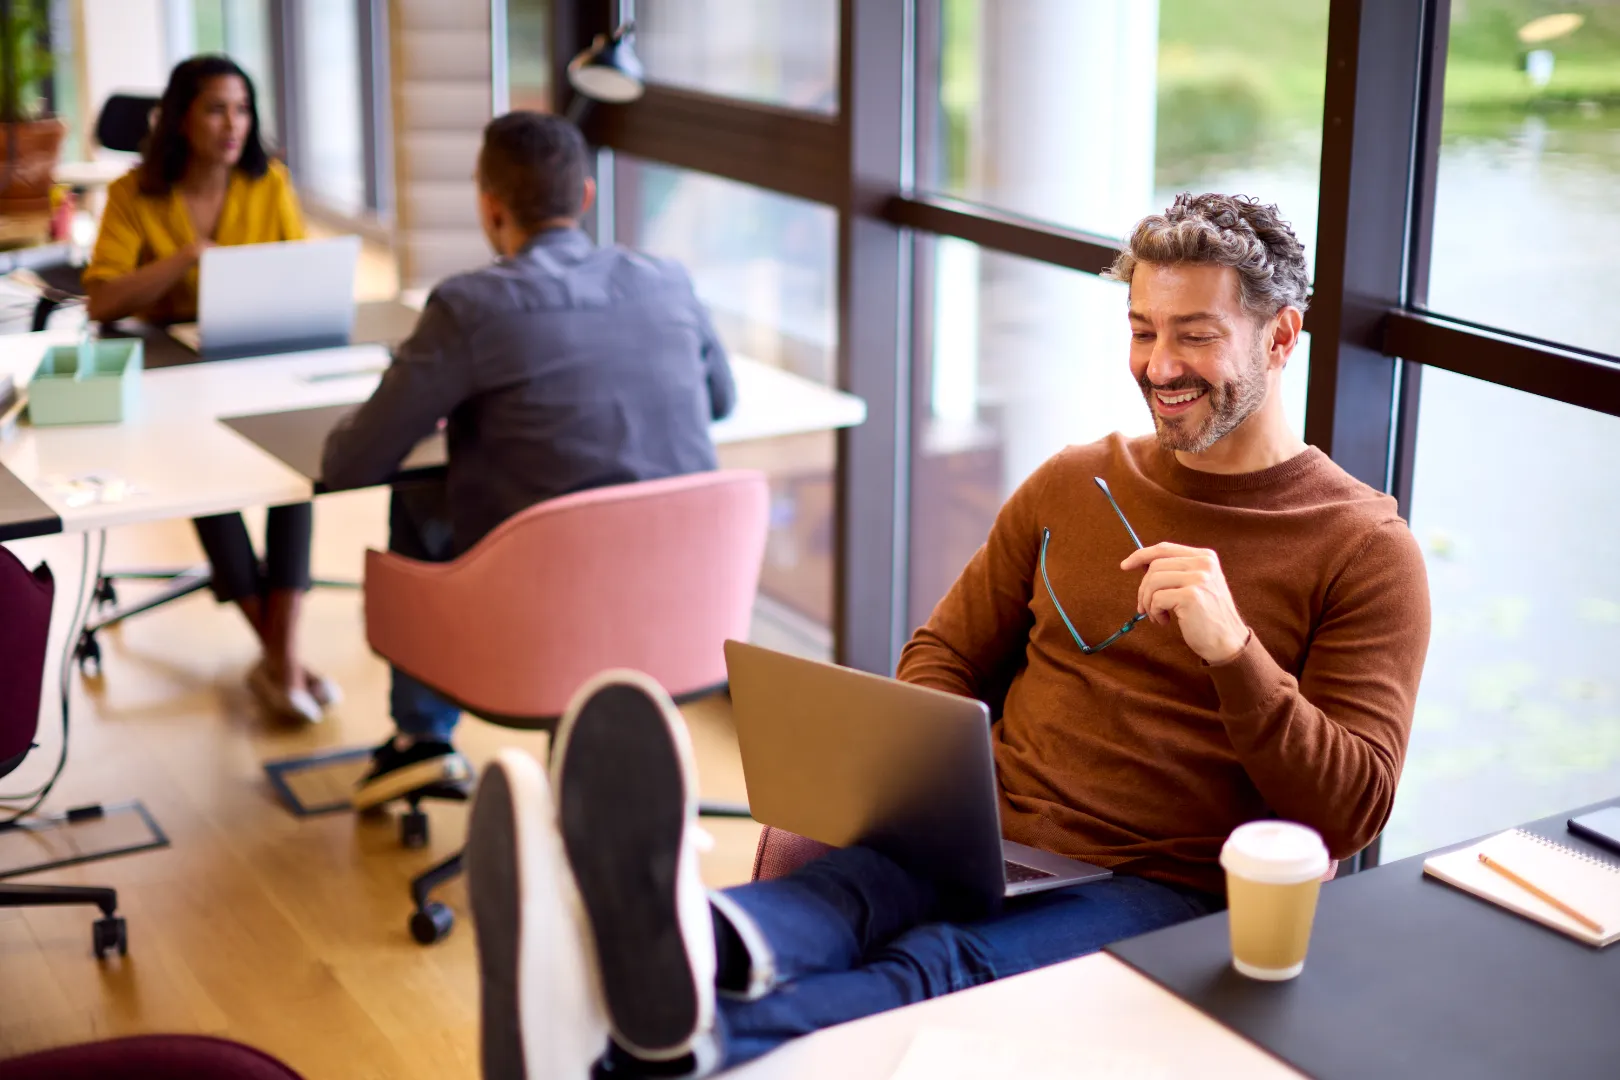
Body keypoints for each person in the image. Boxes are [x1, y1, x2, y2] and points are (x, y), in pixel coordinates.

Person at [461, 193, 1434, 1078]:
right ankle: (654, 949)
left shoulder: (1361, 548)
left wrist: (1236, 656)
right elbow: (944, 651)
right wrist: (937, 778)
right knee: (842, 895)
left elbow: (1350, 808)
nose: (1159, 367)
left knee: (937, 962)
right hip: (990, 834)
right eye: (1141, 331)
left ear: (1281, 339)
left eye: (1194, 336)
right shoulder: (1073, 481)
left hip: (1159, 888)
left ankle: (620, 1055)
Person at [322, 112, 735, 810]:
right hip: (680, 609)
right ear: (586, 197)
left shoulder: (470, 307)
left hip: (534, 618)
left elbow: (352, 463)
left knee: (421, 497)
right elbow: (719, 400)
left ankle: (421, 737)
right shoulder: (668, 280)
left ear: (490, 207)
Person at [82, 55, 331, 723]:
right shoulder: (133, 195)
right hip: (174, 376)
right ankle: (287, 663)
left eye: (242, 109)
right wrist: (188, 258)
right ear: (181, 118)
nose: (233, 124)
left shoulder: (267, 184)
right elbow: (102, 300)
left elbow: (298, 276)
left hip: (256, 361)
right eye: (217, 108)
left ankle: (281, 658)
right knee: (211, 491)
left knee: (295, 479)